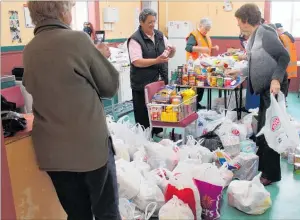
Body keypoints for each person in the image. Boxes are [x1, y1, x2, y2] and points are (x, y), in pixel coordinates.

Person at [23, 2, 121, 219]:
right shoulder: (77, 40)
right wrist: (101, 56)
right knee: (107, 212)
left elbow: (32, 87)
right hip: (89, 149)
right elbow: (109, 86)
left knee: (77, 214)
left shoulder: (29, 49)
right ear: (62, 11)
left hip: (53, 153)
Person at [226, 3, 290, 186]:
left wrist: (276, 79)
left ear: (246, 21)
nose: (238, 27)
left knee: (271, 130)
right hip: (265, 90)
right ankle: (263, 165)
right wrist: (240, 72)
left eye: (239, 23)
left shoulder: (266, 34)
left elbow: (284, 57)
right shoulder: (255, 36)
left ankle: (270, 174)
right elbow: (258, 63)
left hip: (274, 88)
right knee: (262, 127)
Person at [128, 8, 176, 137]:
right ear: (141, 22)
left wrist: (172, 51)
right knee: (143, 110)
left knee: (159, 106)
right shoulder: (135, 39)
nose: (153, 24)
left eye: (154, 21)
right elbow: (136, 61)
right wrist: (156, 60)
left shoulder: (159, 35)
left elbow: (169, 53)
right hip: (143, 81)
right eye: (149, 22)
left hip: (159, 80)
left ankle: (158, 130)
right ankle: (144, 134)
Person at [185, 18, 219, 109]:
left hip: (203, 65)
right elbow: (188, 48)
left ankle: (197, 102)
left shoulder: (206, 36)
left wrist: (213, 48)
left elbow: (206, 48)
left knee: (202, 84)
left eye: (208, 30)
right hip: (194, 65)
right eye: (205, 29)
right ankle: (191, 104)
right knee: (194, 85)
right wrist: (201, 49)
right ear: (200, 26)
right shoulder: (194, 35)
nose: (206, 31)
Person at [275, 23, 298, 104]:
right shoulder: (289, 37)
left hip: (284, 65)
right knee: (286, 84)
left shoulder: (282, 37)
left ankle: (281, 102)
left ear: (278, 30)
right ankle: (284, 100)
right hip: (291, 65)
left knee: (282, 85)